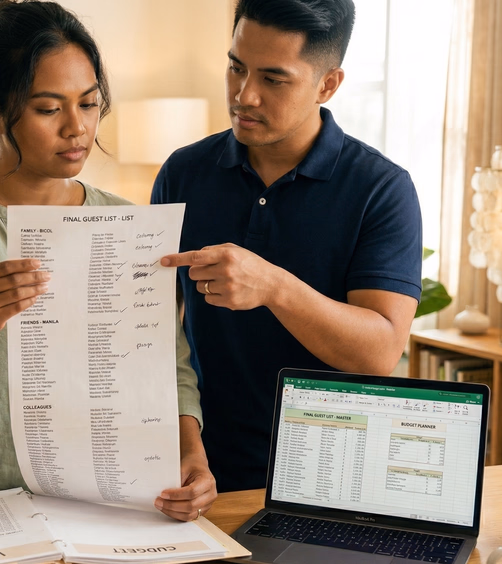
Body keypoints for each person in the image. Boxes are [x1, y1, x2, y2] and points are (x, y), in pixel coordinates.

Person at [0, 0, 216, 521]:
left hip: (106, 512)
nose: (77, 128)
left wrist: (191, 452)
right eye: (49, 109)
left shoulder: (129, 226)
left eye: (90, 103)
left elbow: (167, 368)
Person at [152, 0, 422, 493]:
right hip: (198, 470)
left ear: (327, 84)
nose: (244, 95)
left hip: (331, 480)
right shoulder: (182, 172)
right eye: (236, 67)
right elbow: (153, 336)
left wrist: (273, 285)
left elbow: (380, 352)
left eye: (273, 79)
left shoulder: (382, 189)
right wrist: (185, 446)